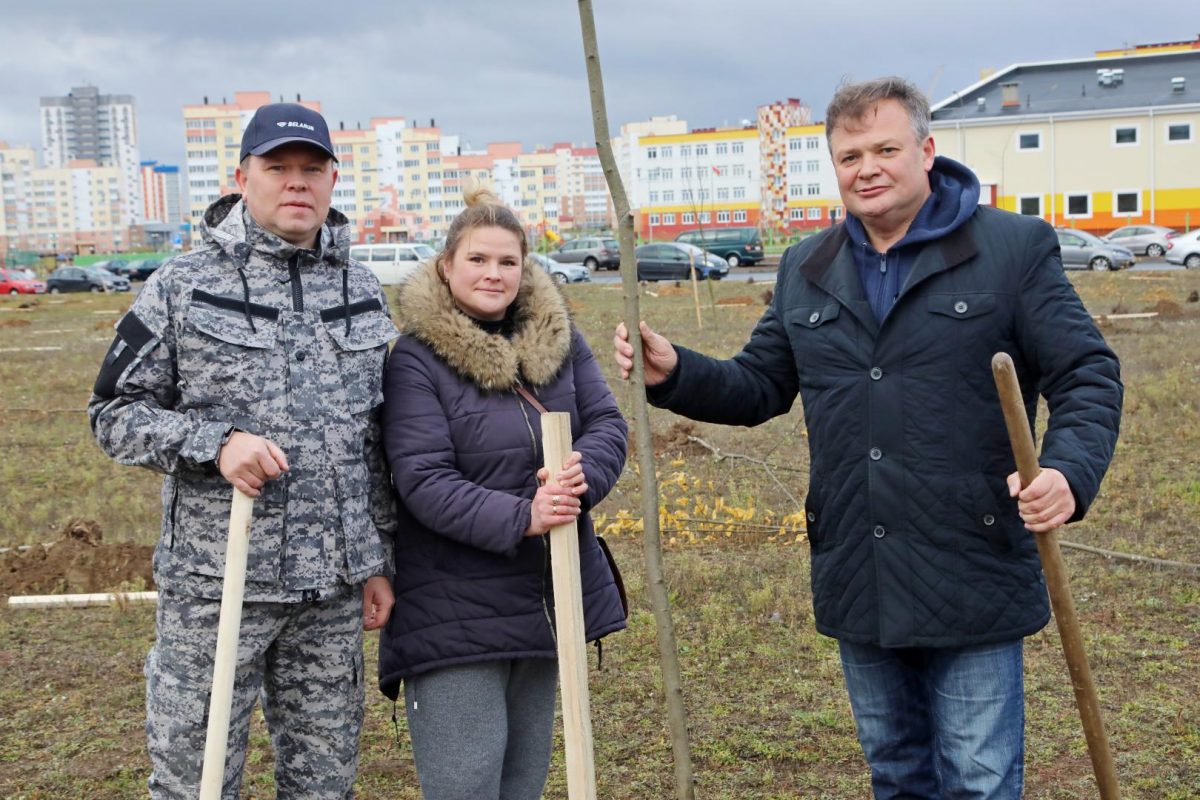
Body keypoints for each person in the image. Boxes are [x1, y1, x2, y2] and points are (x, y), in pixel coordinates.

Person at [614, 77, 1122, 799]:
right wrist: (677, 374)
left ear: (927, 150)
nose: (868, 168)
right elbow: (761, 385)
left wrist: (1067, 472)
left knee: (979, 780)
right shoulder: (808, 268)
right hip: (861, 564)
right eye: (850, 155)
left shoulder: (1011, 249)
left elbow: (1087, 372)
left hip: (972, 561)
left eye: (886, 148)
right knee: (897, 774)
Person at [89, 102, 399, 799]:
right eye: (278, 168)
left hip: (331, 591)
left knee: (324, 787)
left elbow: (376, 438)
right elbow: (111, 413)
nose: (297, 184)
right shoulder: (182, 284)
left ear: (331, 181)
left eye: (311, 170)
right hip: (216, 587)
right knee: (196, 784)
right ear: (242, 177)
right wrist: (214, 444)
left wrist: (379, 558)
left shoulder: (362, 289)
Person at [378, 187, 627, 800]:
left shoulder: (558, 340)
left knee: (522, 783)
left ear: (526, 267)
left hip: (545, 596)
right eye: (478, 260)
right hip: (454, 609)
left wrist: (577, 478)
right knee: (466, 783)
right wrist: (525, 515)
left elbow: (606, 426)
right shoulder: (415, 358)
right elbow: (422, 479)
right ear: (446, 267)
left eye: (507, 262)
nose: (494, 273)